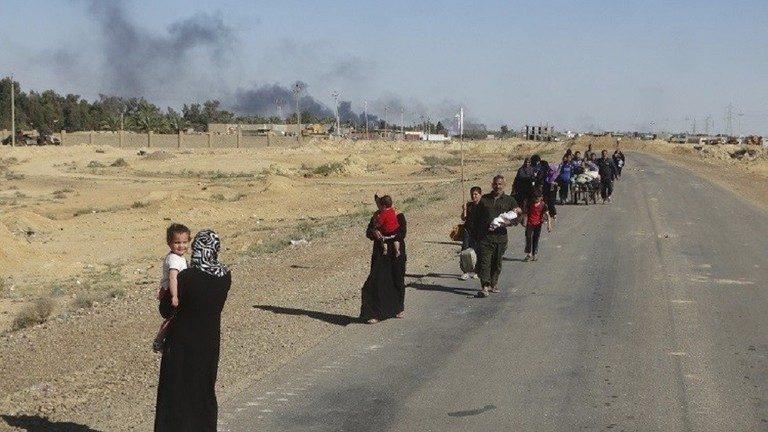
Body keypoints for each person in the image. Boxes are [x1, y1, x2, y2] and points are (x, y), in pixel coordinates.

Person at [154, 229, 232, 432]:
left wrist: (164, 294)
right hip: (209, 343)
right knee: (203, 392)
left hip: (182, 344)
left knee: (176, 394)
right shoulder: (225, 276)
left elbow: (166, 310)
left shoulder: (186, 277)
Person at [470, 175, 521, 298]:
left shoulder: (509, 200)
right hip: (485, 238)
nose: (498, 186)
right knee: (485, 262)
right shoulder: (484, 200)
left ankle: (494, 283)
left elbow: (519, 216)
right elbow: (475, 218)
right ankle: (484, 287)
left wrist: (509, 223)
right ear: (492, 185)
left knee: (496, 263)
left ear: (504, 185)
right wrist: (475, 236)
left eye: (500, 184)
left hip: (500, 238)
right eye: (495, 184)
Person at [361, 195, 407, 323]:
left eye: (379, 203)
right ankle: (374, 314)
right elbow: (369, 232)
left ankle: (398, 308)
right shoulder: (376, 216)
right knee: (375, 282)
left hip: (395, 254)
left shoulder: (398, 215)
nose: (377, 205)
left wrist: (390, 237)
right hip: (380, 254)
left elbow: (402, 233)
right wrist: (374, 232)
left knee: (397, 279)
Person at [152, 223, 191, 353]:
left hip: (171, 292)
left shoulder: (178, 257)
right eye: (177, 242)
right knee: (172, 318)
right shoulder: (174, 260)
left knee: (177, 317)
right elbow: (173, 278)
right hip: (172, 294)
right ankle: (159, 340)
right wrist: (174, 296)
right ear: (169, 243)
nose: (181, 246)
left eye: (184, 242)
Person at [522, 190, 552, 261]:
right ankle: (529, 254)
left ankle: (534, 254)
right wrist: (524, 221)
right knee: (528, 237)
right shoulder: (529, 203)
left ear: (541, 197)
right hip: (530, 223)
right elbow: (525, 213)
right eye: (535, 198)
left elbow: (548, 215)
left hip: (538, 224)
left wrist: (549, 225)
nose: (536, 200)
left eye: (538, 198)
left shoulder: (543, 205)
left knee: (535, 238)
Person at [459, 186, 482, 280]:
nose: (474, 196)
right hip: (467, 231)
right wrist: (464, 210)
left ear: (480, 195)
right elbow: (463, 218)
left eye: (476, 194)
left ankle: (476, 271)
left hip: (478, 232)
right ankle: (465, 272)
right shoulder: (469, 205)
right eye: (472, 194)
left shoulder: (483, 205)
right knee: (464, 251)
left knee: (477, 252)